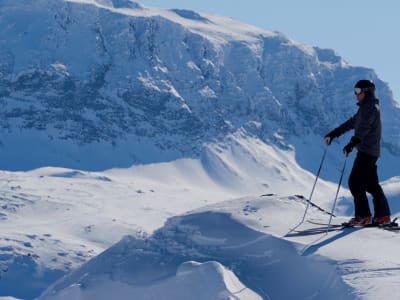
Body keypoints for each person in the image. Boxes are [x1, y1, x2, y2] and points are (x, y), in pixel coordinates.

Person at [324, 79, 391, 226]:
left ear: (366, 92)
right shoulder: (364, 108)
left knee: (354, 182)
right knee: (371, 184)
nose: (355, 94)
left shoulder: (371, 108)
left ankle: (363, 216)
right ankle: (383, 215)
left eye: (358, 91)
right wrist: (334, 133)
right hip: (370, 151)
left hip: (367, 152)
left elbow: (364, 128)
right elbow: (352, 123)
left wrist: (353, 143)